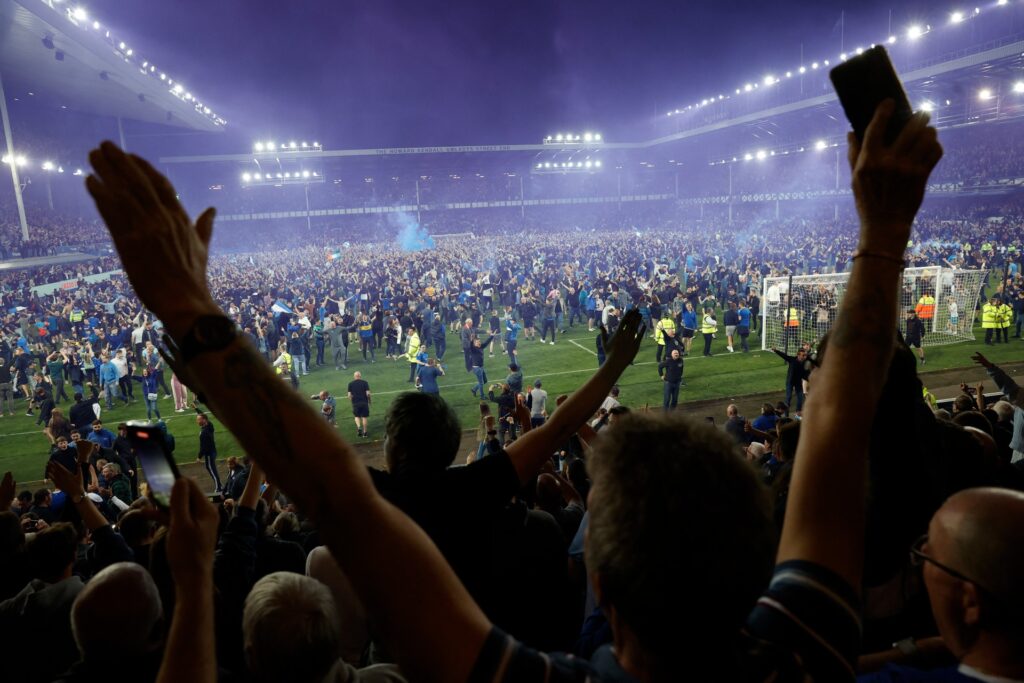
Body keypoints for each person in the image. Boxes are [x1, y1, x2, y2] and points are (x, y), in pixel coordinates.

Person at [84, 107, 940, 681]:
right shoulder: (809, 649)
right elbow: (838, 419)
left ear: (600, 585)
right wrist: (884, 231)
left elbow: (340, 494)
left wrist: (191, 310)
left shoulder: (536, 675)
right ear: (760, 559)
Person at [771, 346, 810, 415]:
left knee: (800, 398)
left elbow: (805, 374)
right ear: (798, 355)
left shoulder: (805, 363)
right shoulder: (792, 360)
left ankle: (798, 413)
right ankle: (786, 414)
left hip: (798, 382)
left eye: (805, 355)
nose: (804, 357)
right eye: (803, 355)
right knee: (788, 397)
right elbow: (784, 356)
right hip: (790, 382)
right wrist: (776, 351)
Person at [195, 409, 221, 492]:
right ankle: (219, 484)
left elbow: (203, 447)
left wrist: (199, 457)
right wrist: (196, 409)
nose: (197, 421)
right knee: (208, 467)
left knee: (212, 469)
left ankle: (219, 488)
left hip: (209, 453)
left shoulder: (204, 433)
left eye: (199, 419)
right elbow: (204, 415)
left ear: (204, 420)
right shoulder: (209, 425)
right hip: (212, 451)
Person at [347, 371, 371, 438]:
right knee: (364, 417)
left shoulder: (350, 384)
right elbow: (368, 394)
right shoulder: (365, 383)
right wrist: (369, 400)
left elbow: (349, 395)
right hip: (364, 402)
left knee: (357, 416)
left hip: (356, 403)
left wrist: (352, 400)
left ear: (354, 376)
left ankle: (359, 427)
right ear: (360, 376)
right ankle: (365, 432)